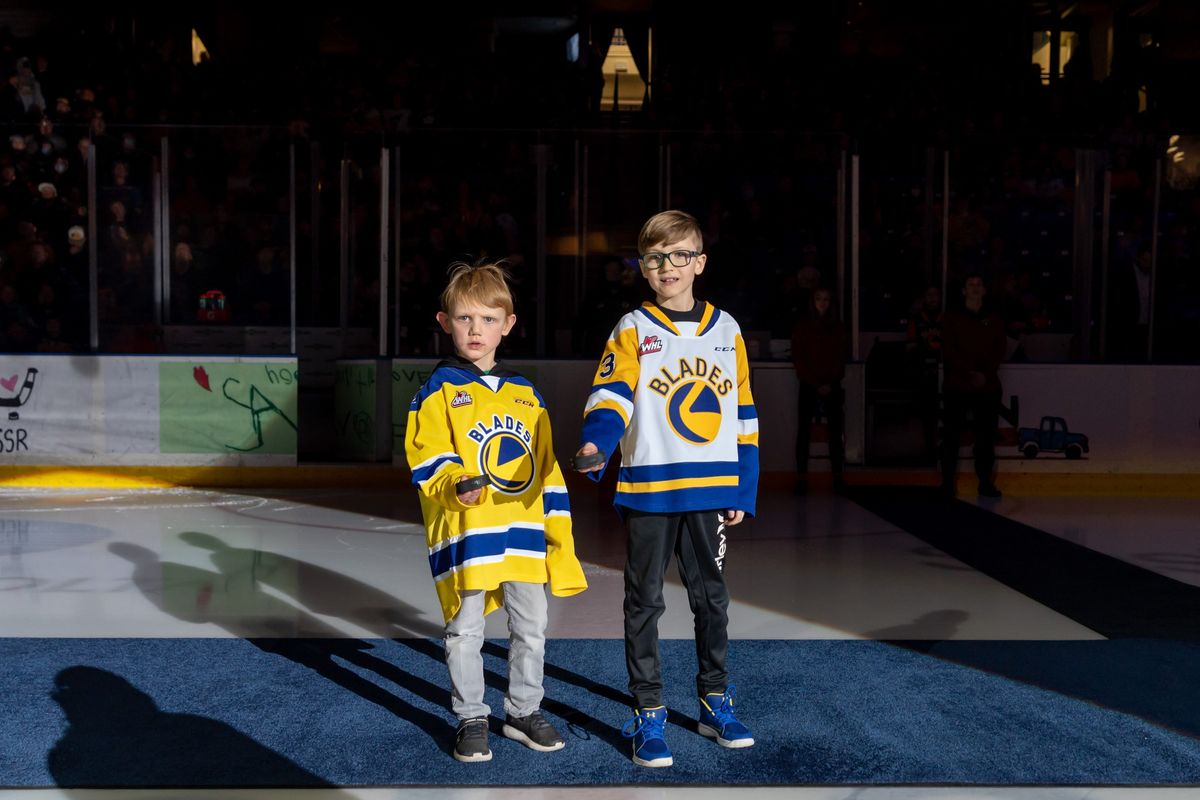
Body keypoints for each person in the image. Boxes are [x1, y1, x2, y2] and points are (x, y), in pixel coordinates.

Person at [573, 210, 758, 768]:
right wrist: (597, 445)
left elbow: (743, 414)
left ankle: (714, 700)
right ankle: (648, 710)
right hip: (650, 491)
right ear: (643, 268)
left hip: (711, 490)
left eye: (679, 255)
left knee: (712, 600)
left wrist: (742, 489)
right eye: (655, 258)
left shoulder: (728, 330)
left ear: (699, 262)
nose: (668, 266)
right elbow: (612, 394)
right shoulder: (631, 328)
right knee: (644, 602)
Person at [404, 262, 588, 763]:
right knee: (465, 630)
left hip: (523, 534)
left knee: (531, 626)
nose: (476, 330)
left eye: (488, 319)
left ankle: (524, 710)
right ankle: (471, 715)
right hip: (471, 535)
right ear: (445, 323)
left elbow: (546, 470)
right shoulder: (437, 391)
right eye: (465, 319)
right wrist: (454, 482)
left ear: (508, 323)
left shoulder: (527, 394)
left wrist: (558, 538)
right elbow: (428, 456)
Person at [940, 274, 1006, 498]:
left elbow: (999, 350)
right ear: (963, 291)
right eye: (971, 284)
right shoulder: (951, 318)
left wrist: (985, 375)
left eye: (979, 284)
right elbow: (948, 350)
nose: (975, 288)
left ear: (985, 290)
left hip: (986, 387)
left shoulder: (994, 319)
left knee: (986, 438)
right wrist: (969, 373)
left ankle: (985, 481)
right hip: (958, 386)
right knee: (950, 436)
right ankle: (948, 482)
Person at [790, 286, 847, 494]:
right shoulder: (803, 327)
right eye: (818, 298)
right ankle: (802, 478)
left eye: (826, 299)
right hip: (809, 383)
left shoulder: (838, 328)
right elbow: (799, 358)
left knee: (835, 432)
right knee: (803, 432)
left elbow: (841, 357)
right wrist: (815, 382)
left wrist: (830, 381)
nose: (822, 303)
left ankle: (838, 477)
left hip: (831, 384)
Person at [906, 285, 944, 462]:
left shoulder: (947, 318)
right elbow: (910, 345)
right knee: (926, 411)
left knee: (943, 411)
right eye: (929, 295)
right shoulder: (915, 319)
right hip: (922, 371)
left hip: (944, 370)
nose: (932, 299)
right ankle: (927, 448)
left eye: (935, 295)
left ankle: (940, 447)